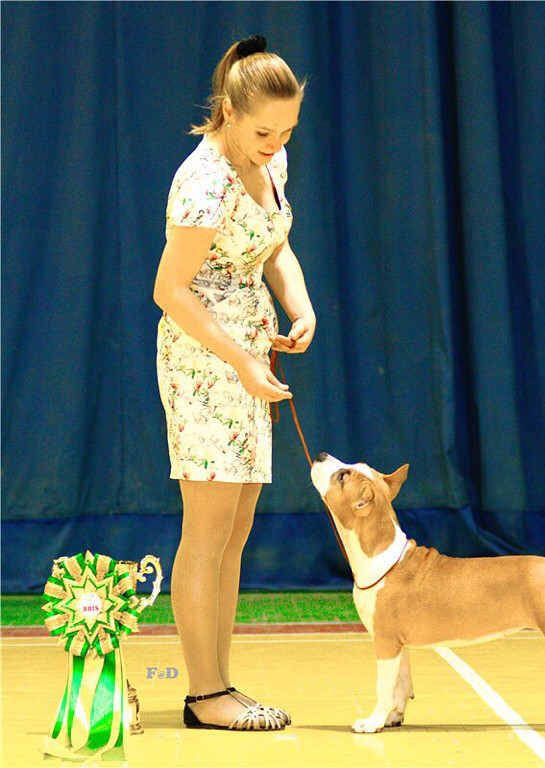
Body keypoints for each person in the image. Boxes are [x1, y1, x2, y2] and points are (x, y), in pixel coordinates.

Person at [153, 36, 315, 731]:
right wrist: (241, 361)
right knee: (207, 530)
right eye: (263, 133)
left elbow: (274, 247)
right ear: (227, 113)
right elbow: (170, 290)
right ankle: (204, 693)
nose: (275, 145)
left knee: (236, 530)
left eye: (287, 132)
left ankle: (219, 683)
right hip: (204, 359)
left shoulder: (268, 161)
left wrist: (299, 306)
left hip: (248, 353)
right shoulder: (204, 182)